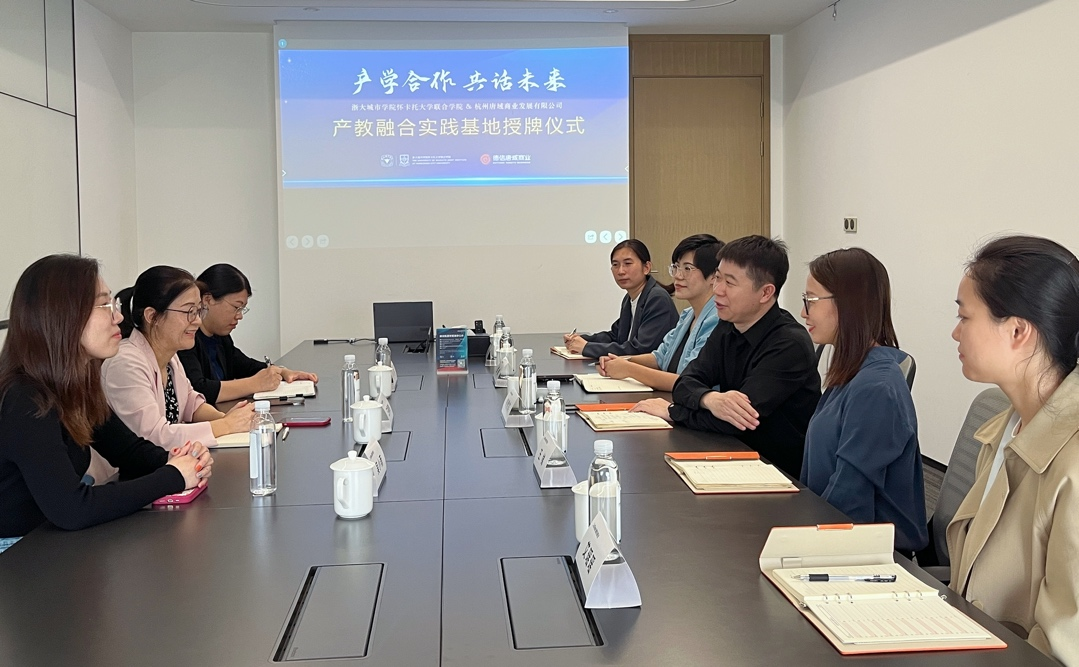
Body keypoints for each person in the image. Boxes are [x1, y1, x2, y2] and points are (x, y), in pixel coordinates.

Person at [0, 255, 212, 551]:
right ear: (64, 315)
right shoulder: (25, 398)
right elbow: (72, 507)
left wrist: (180, 459)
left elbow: (128, 451)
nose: (119, 317)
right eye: (104, 305)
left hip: (50, 545)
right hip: (16, 555)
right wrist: (173, 476)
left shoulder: (76, 384)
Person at [947, 235, 1079, 664]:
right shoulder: (1008, 426)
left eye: (964, 317)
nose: (955, 332)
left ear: (1018, 331)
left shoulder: (1073, 460)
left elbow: (1064, 648)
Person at [632, 235, 820, 478]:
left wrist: (672, 411)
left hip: (776, 474)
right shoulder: (728, 325)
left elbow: (736, 421)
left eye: (729, 283)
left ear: (765, 293)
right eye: (718, 278)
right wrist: (709, 398)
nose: (717, 290)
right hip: (730, 457)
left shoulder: (788, 344)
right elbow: (685, 382)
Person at [798, 248, 927, 554]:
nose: (804, 312)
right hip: (835, 532)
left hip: (867, 553)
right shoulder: (852, 372)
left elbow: (849, 499)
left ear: (848, 304)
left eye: (811, 300)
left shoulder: (876, 388)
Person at [102, 266, 254, 450]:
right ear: (152, 316)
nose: (197, 321)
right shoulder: (125, 363)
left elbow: (192, 404)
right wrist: (226, 425)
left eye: (198, 311)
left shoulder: (170, 356)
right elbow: (154, 436)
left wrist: (229, 420)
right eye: (189, 312)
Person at [596, 235, 723, 391]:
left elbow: (688, 381)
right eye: (676, 267)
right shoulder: (688, 315)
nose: (677, 276)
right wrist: (622, 361)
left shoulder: (717, 319)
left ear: (713, 276)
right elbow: (660, 356)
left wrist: (628, 369)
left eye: (687, 268)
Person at [178, 264, 318, 405]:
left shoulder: (220, 338)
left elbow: (246, 366)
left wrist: (282, 372)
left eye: (242, 309)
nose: (239, 316)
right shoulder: (186, 339)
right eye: (236, 307)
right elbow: (199, 390)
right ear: (208, 300)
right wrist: (255, 384)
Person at [563, 239, 678, 359]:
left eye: (627, 264)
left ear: (646, 267)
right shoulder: (629, 298)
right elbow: (615, 336)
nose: (621, 271)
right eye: (615, 265)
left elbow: (640, 349)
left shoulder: (657, 298)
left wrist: (587, 347)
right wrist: (580, 339)